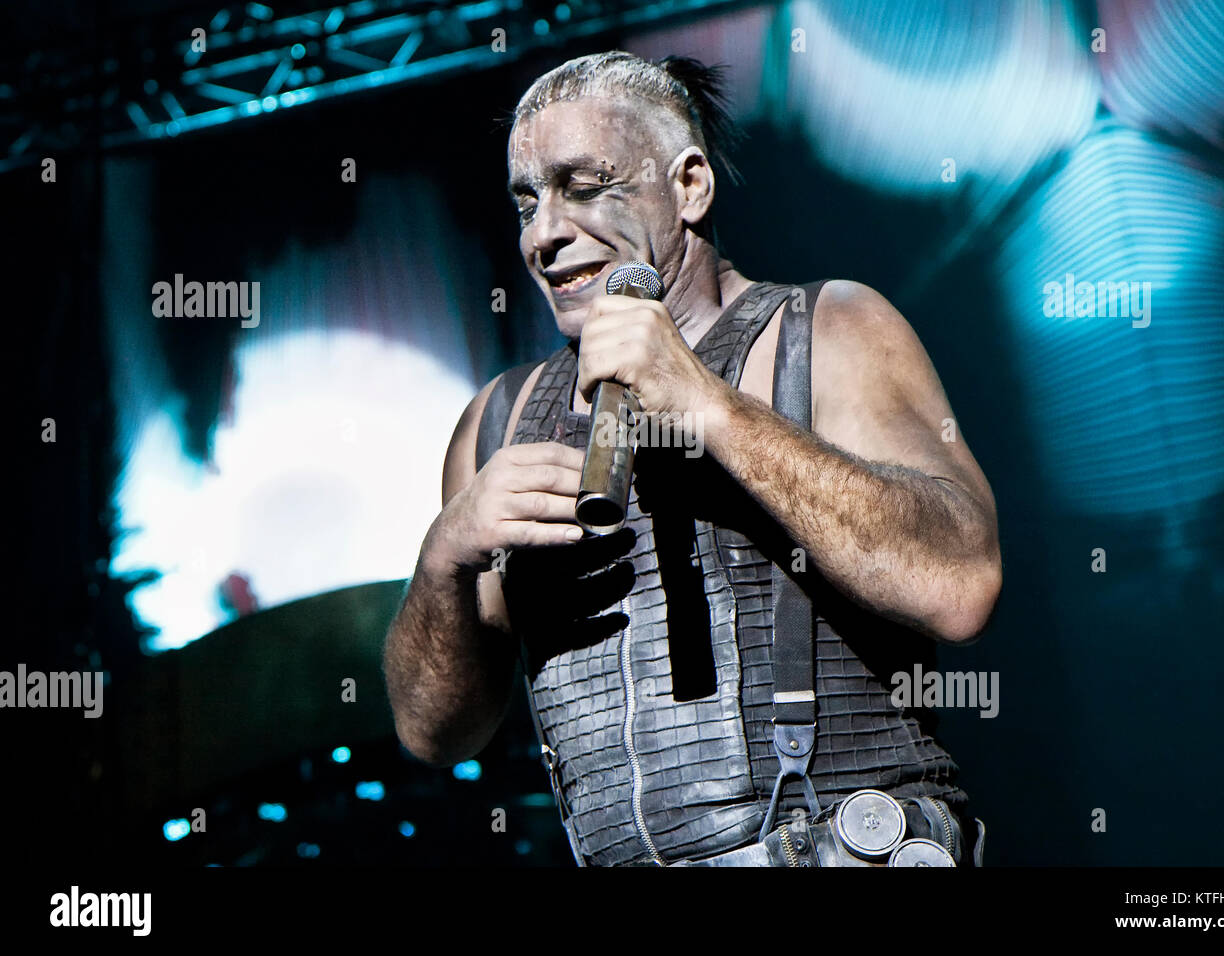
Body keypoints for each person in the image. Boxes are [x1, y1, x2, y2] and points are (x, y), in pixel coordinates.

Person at [383, 50, 1001, 866]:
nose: (544, 234)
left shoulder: (828, 331)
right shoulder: (497, 424)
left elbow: (960, 586)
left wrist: (709, 405)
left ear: (689, 187)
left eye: (583, 185)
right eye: (526, 201)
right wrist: (444, 563)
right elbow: (434, 733)